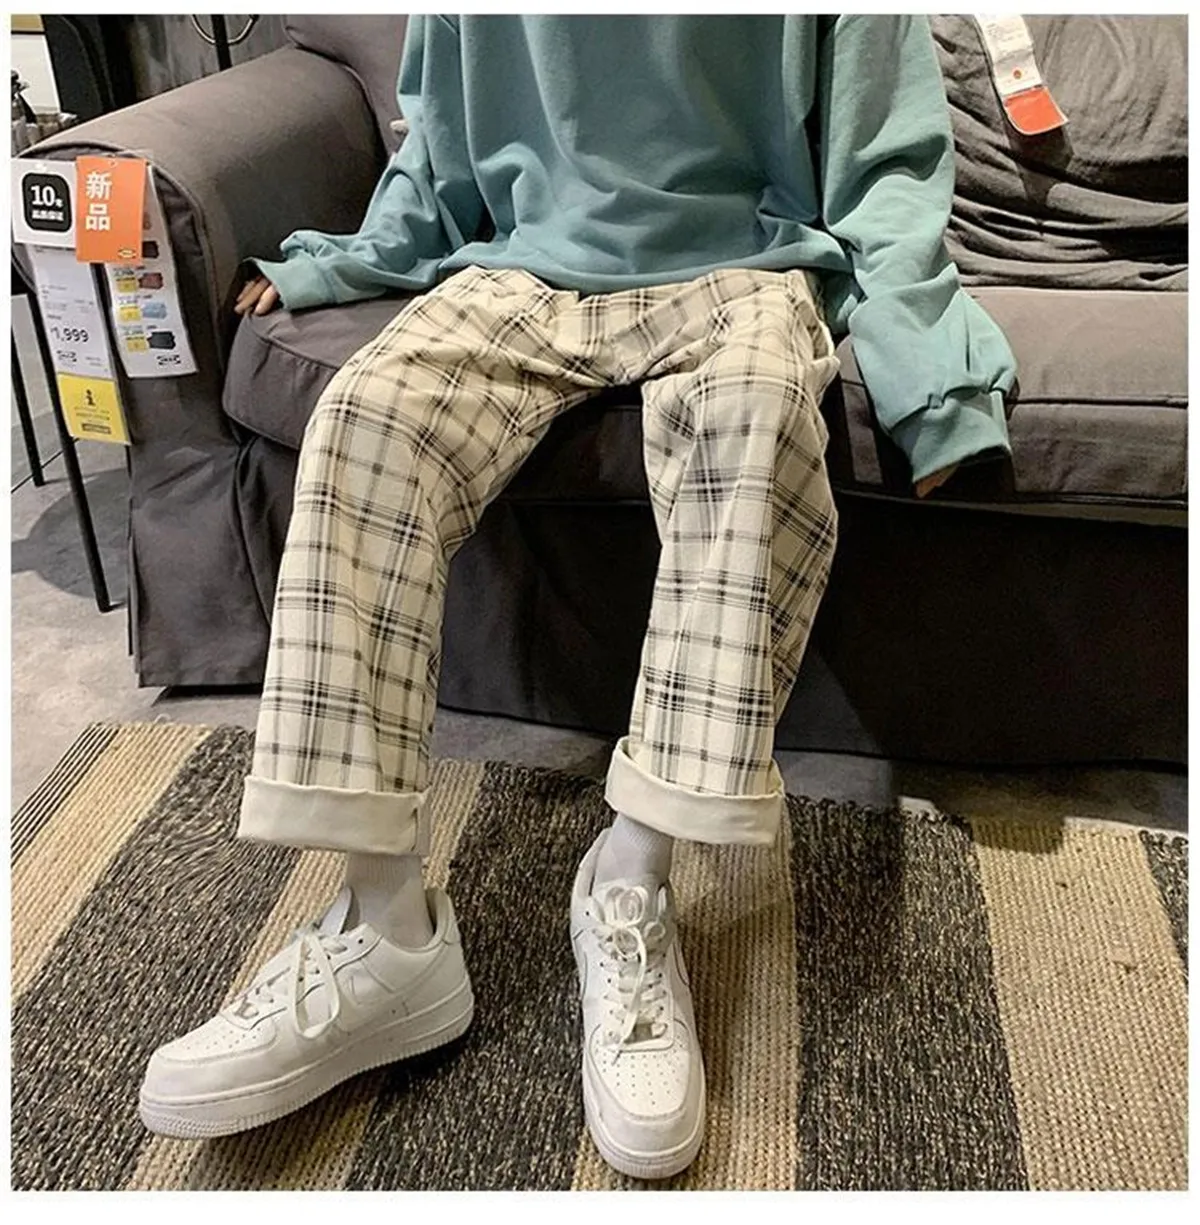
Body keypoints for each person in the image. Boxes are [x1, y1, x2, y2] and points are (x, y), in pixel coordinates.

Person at [137, 14, 1015, 1179]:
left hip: (740, 267)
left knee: (757, 427)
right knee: (367, 421)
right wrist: (341, 263)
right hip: (521, 266)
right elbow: (438, 145)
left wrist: (933, 381)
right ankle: (385, 931)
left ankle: (631, 884)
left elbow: (884, 161)